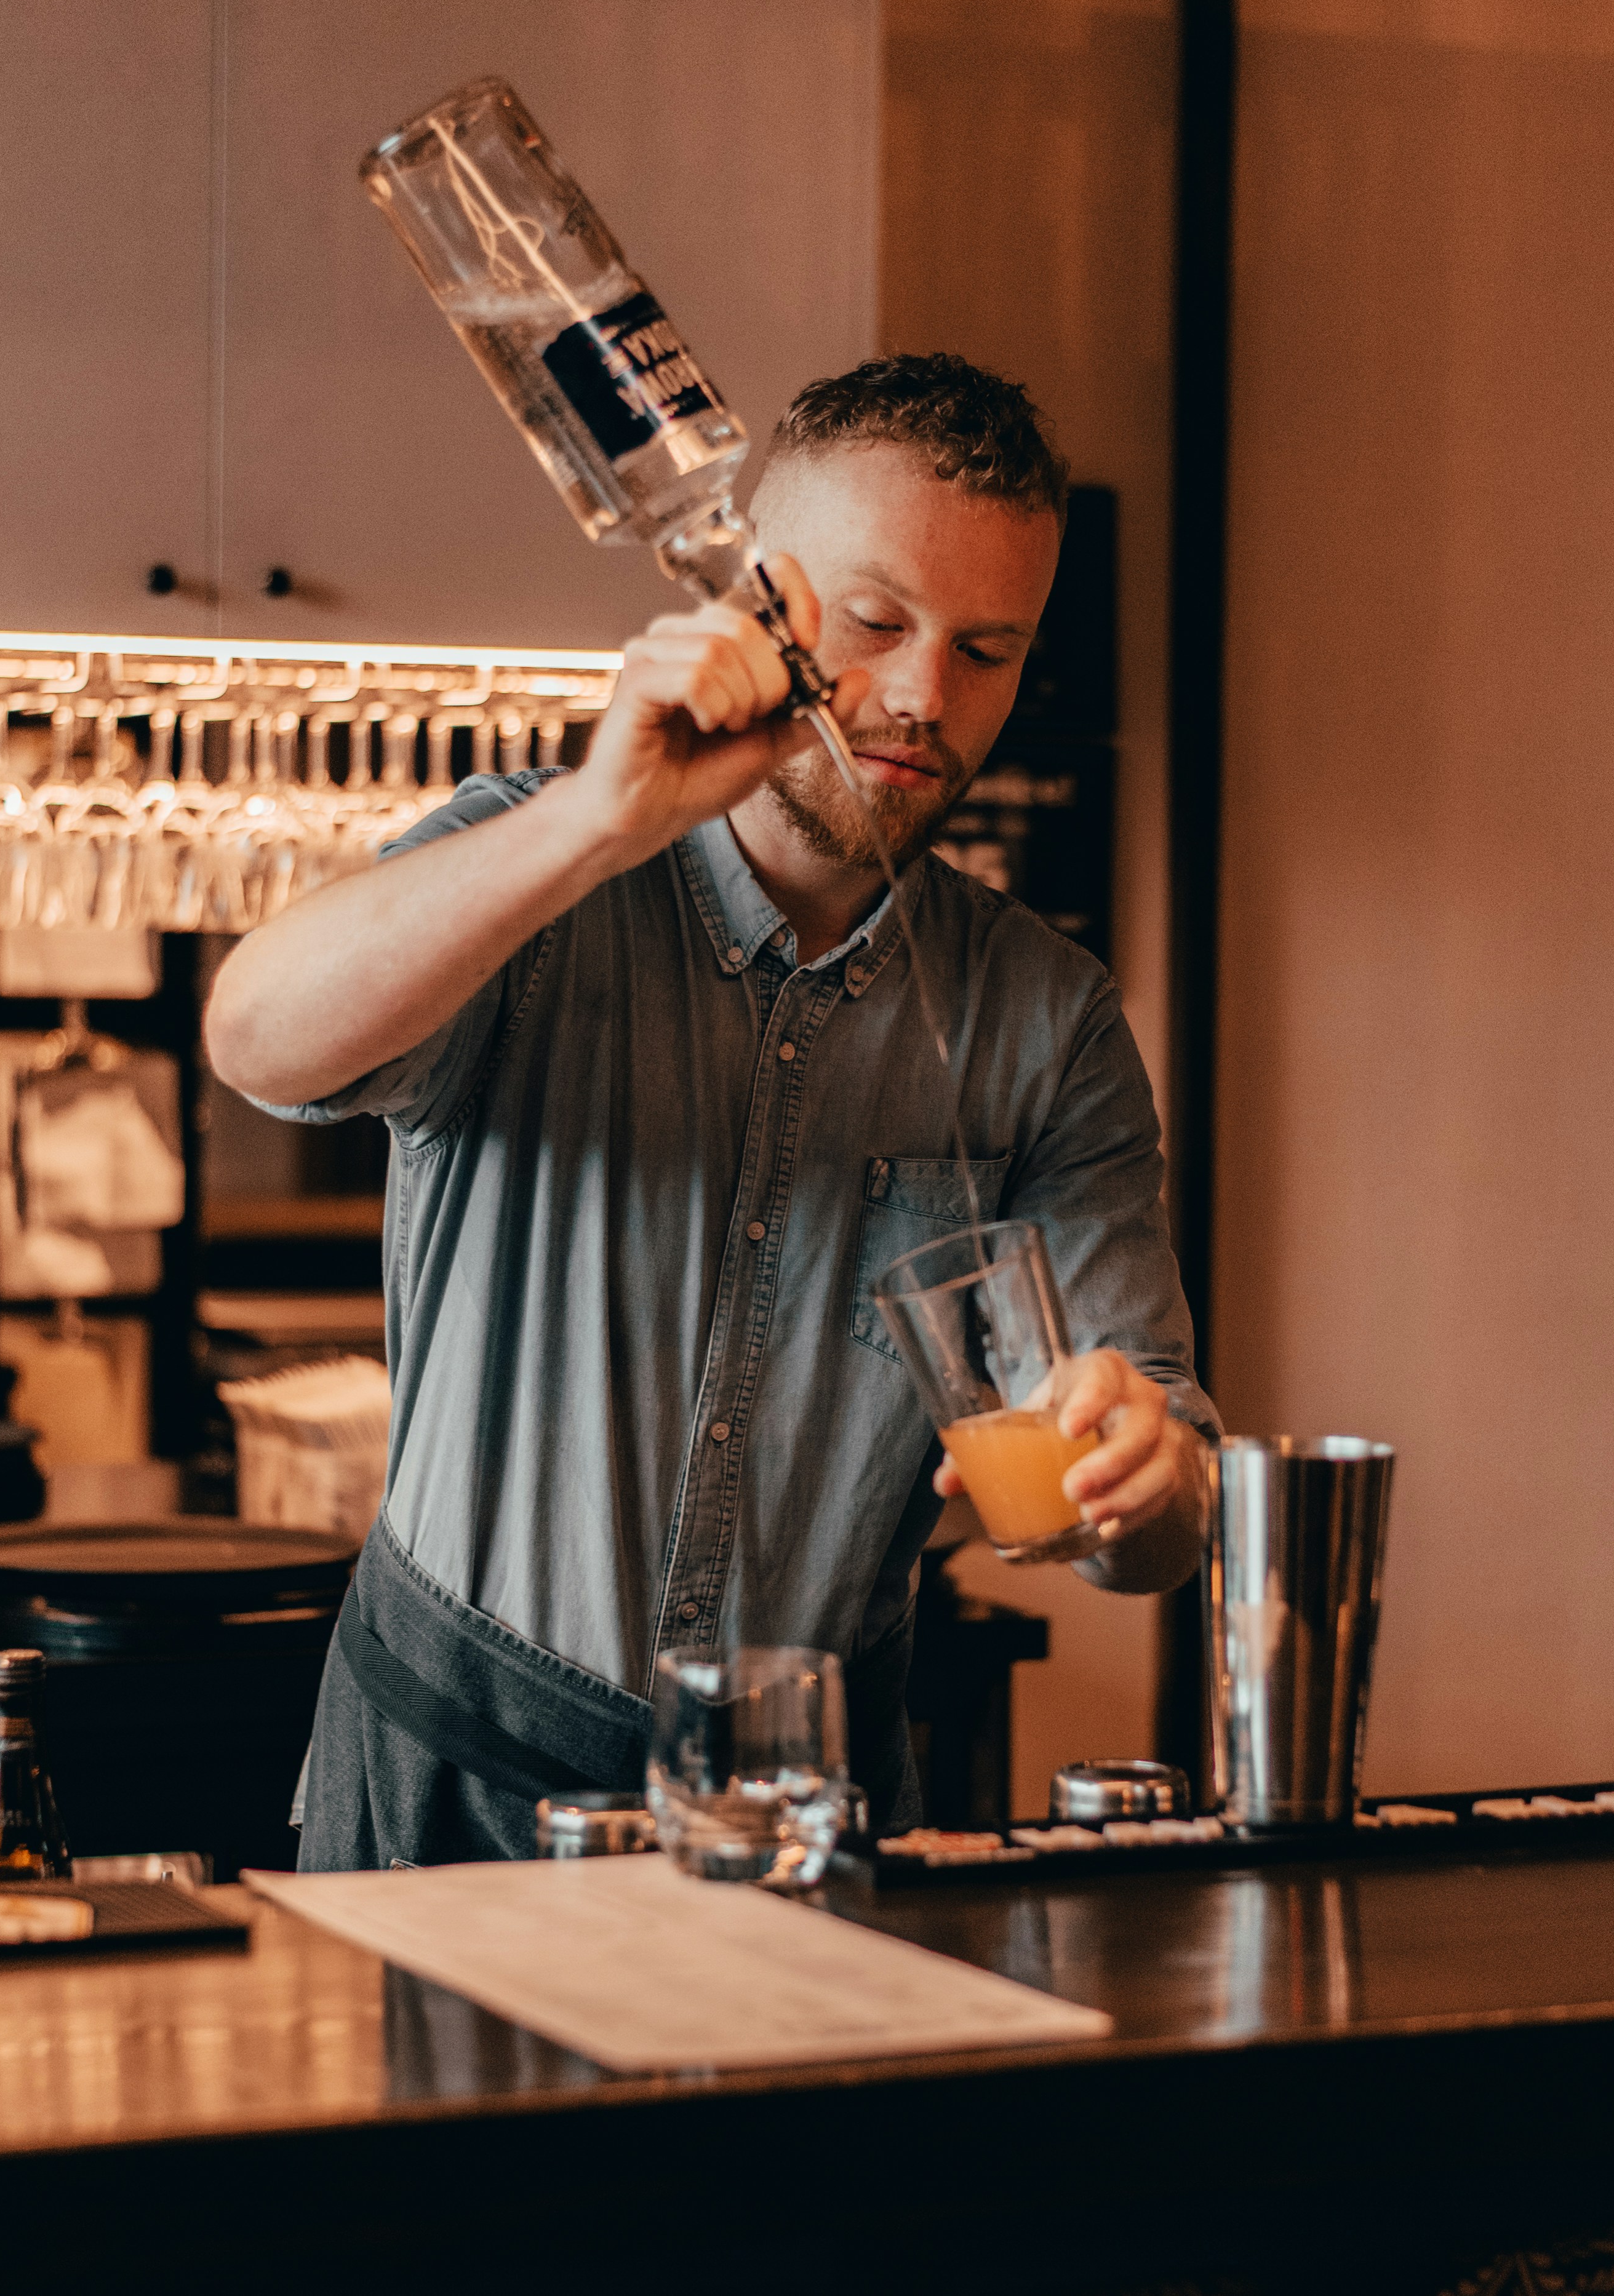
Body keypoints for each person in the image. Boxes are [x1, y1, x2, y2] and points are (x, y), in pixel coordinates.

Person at [206, 353, 1219, 1870]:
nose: (921, 699)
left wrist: (1144, 1476)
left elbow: (1160, 1528)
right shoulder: (541, 865)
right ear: (762, 596)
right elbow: (256, 1039)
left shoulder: (1046, 1021)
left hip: (808, 1818)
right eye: (876, 624)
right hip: (447, 1793)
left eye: (988, 650)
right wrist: (598, 819)